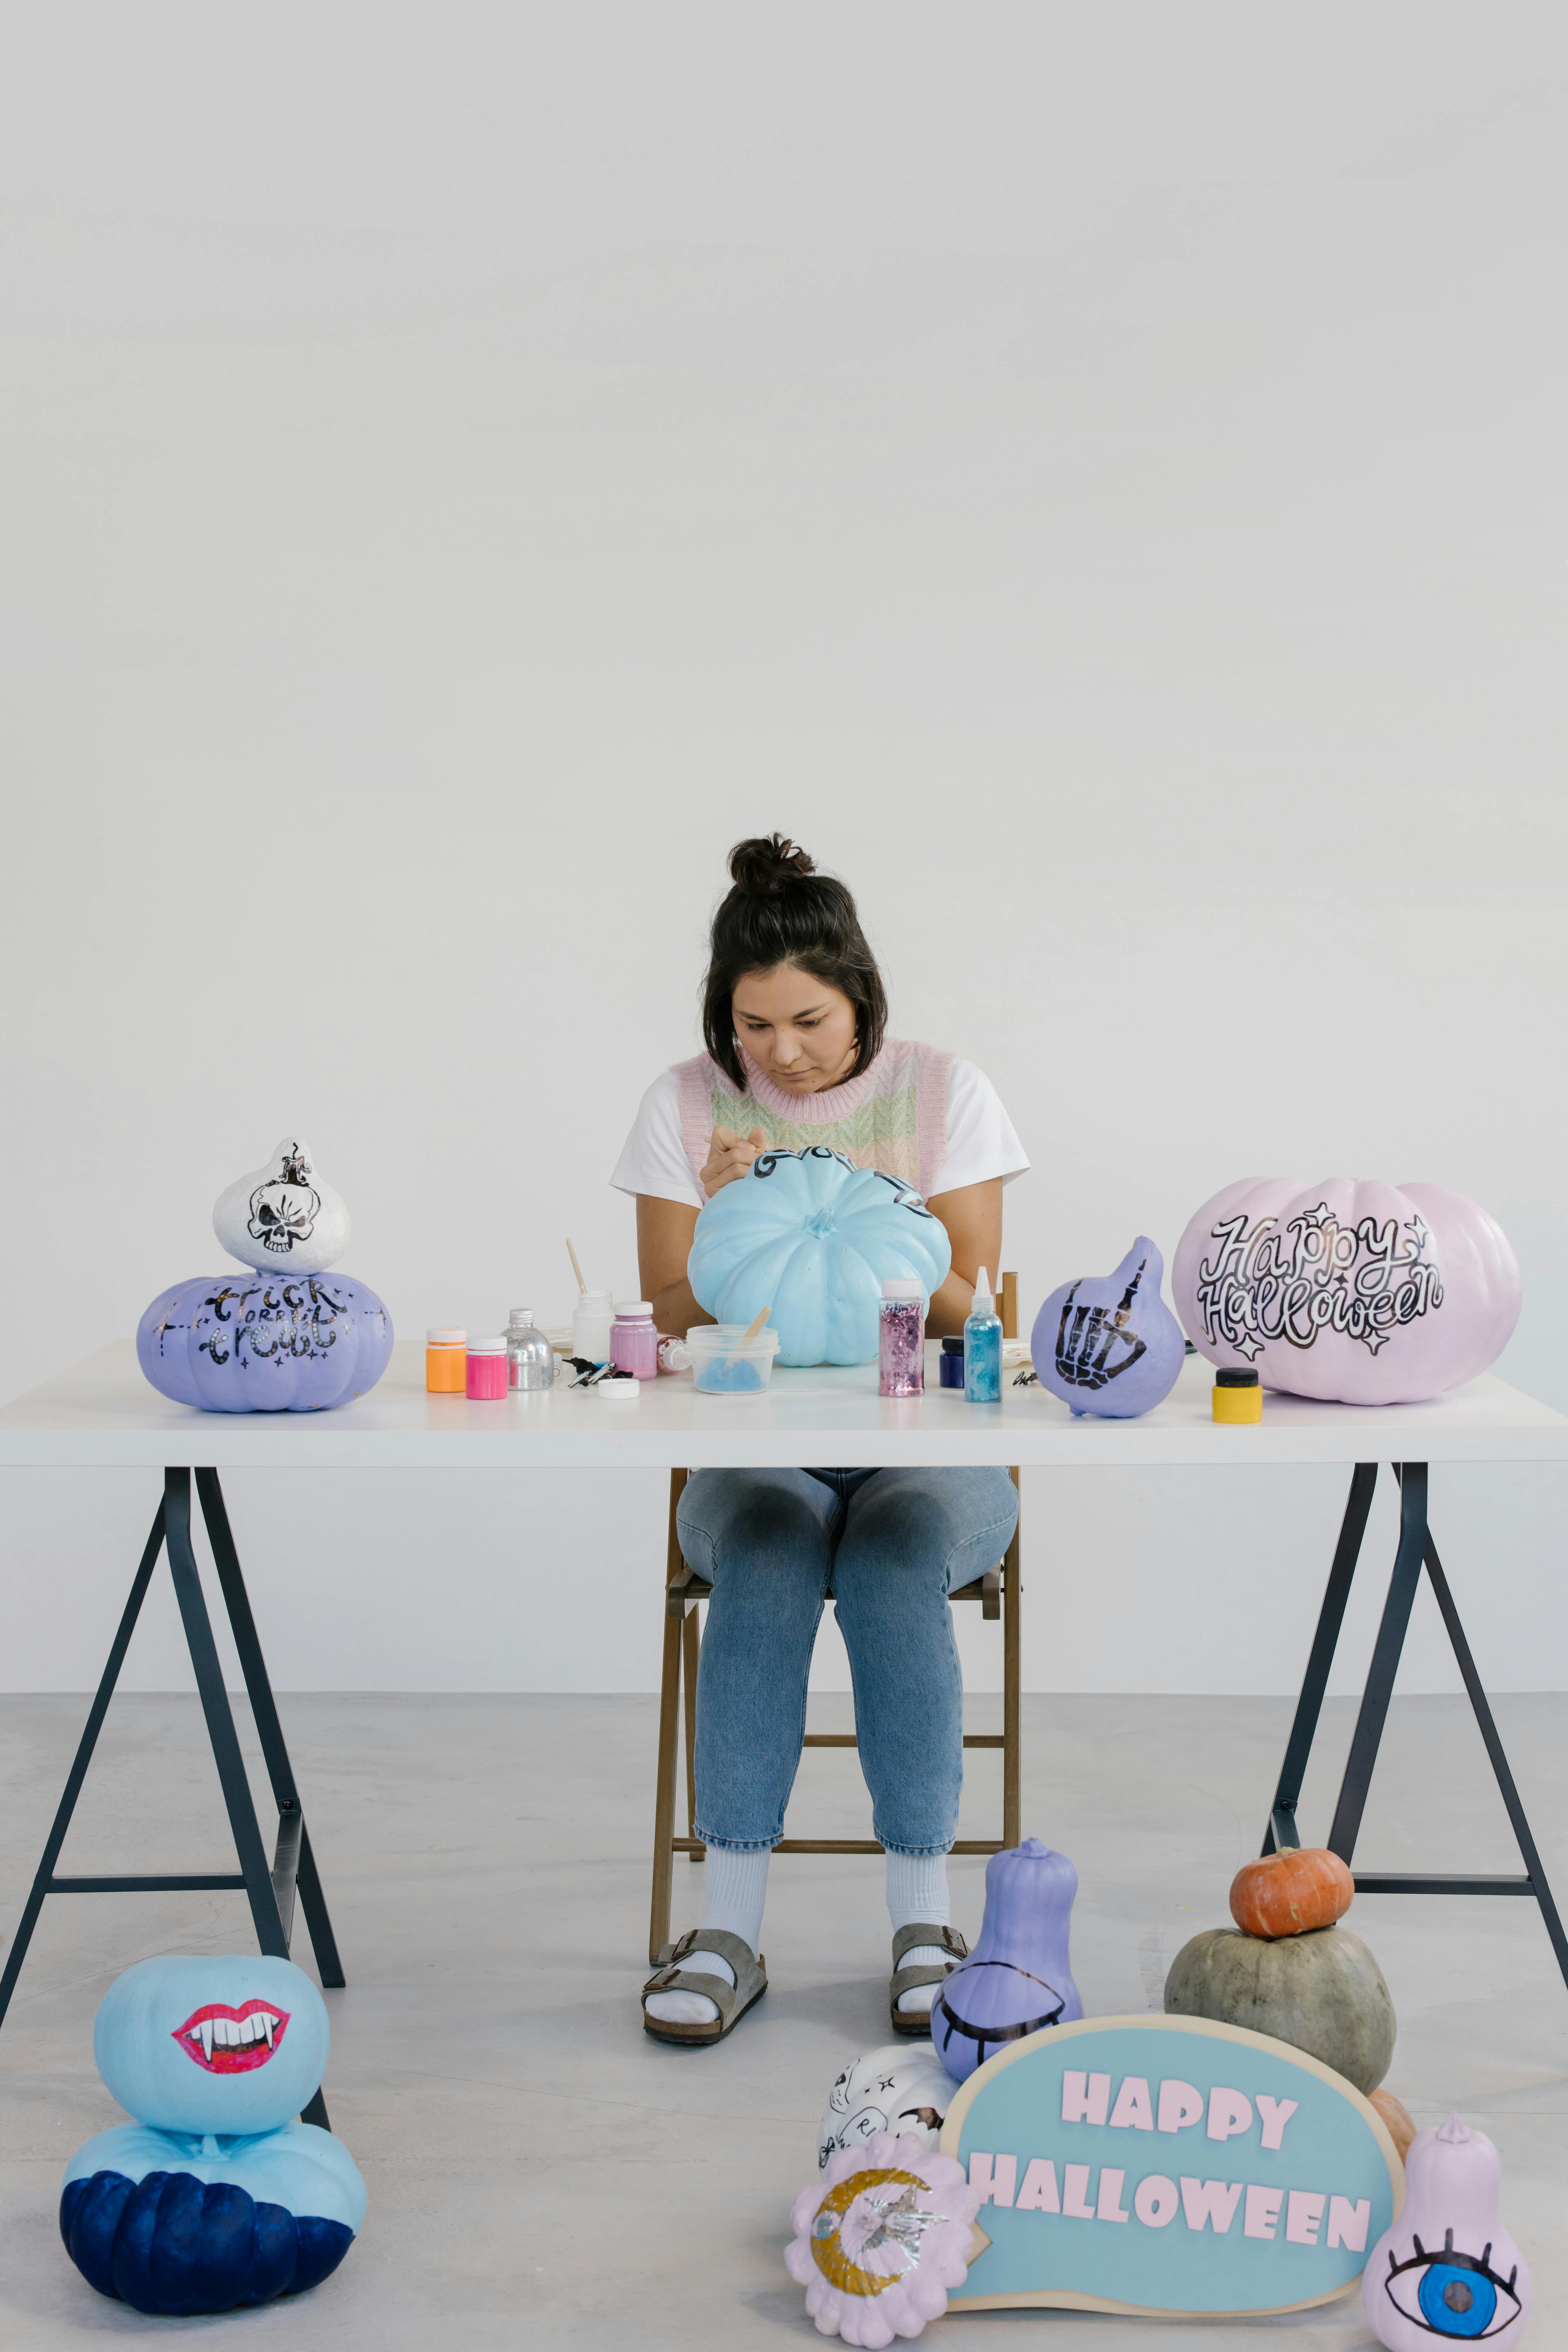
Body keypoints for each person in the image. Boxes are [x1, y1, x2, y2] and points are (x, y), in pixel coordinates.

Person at [611, 835, 1028, 2045]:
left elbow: (977, 1319)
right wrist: (730, 1206)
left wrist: (874, 1227)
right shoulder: (683, 1103)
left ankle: (925, 1924)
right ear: (721, 1017)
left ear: (862, 998)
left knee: (893, 1557)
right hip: (753, 1450)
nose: (782, 1053)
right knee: (777, 1549)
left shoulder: (947, 1090)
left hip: (933, 1454)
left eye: (810, 1020)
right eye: (754, 1027)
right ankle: (728, 1929)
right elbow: (663, 1318)